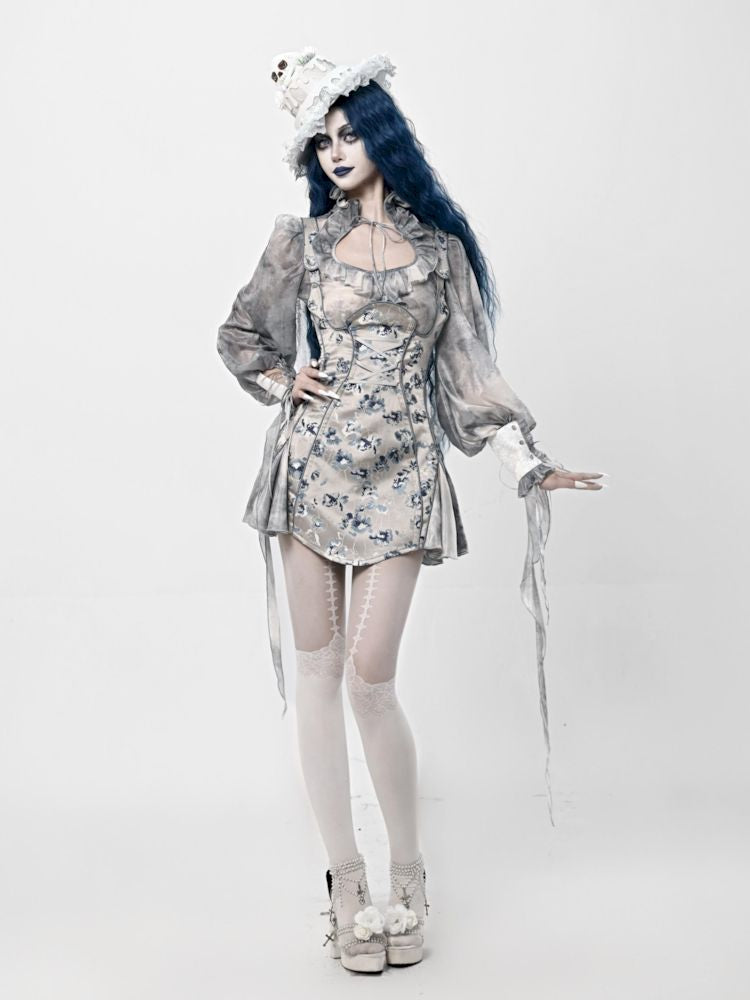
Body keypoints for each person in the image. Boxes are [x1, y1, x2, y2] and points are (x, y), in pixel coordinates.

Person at [216, 47, 605, 974]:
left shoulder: (441, 255)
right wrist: (282, 378)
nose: (337, 150)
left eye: (352, 133)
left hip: (401, 477)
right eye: (323, 139)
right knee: (318, 676)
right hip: (309, 472)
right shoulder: (302, 243)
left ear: (384, 138)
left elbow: (469, 378)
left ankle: (407, 874)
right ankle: (347, 885)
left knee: (370, 681)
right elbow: (239, 336)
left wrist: (527, 462)